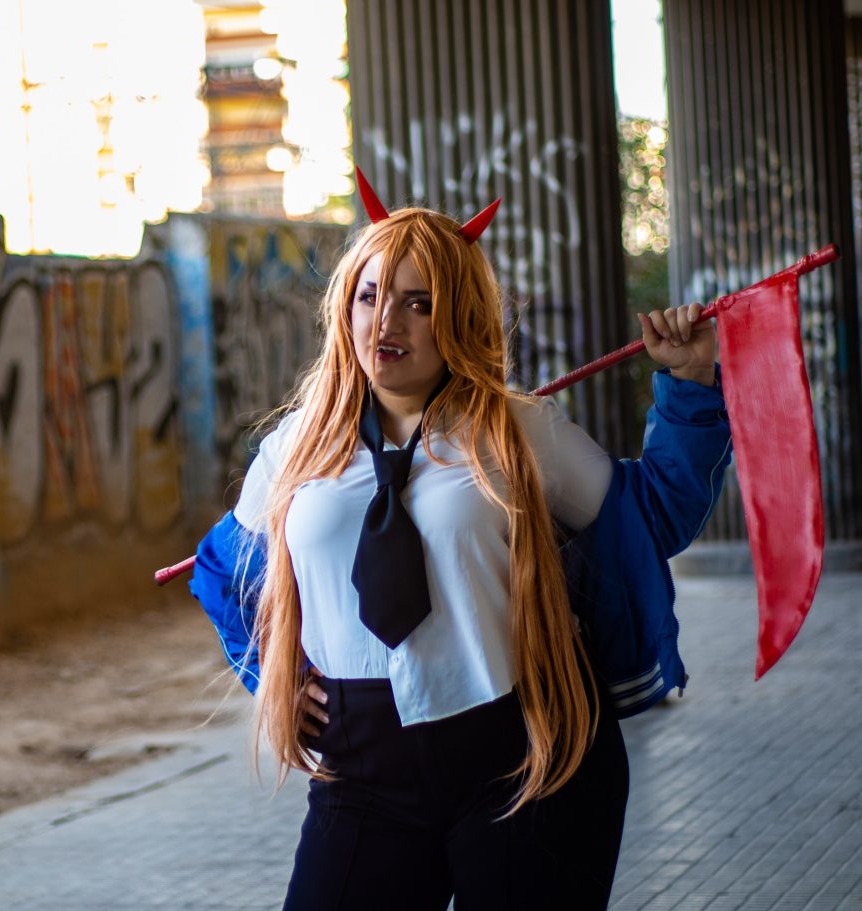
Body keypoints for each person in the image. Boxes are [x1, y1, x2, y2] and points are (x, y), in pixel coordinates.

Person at [189, 175, 732, 910]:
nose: (390, 321)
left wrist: (690, 383)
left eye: (421, 303)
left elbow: (652, 514)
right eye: (371, 294)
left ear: (461, 318)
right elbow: (225, 570)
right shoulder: (296, 446)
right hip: (361, 769)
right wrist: (274, 676)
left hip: (525, 760)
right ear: (343, 306)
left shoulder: (519, 431)